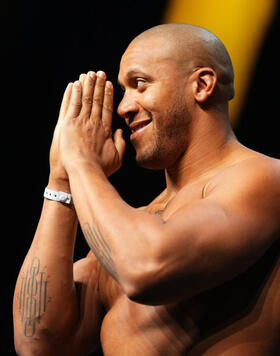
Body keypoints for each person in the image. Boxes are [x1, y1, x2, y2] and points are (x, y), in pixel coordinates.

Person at [13, 23, 280, 356]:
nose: (124, 107)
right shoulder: (130, 228)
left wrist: (82, 164)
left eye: (140, 84)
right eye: (124, 91)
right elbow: (37, 341)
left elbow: (146, 269)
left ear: (202, 84)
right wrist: (62, 180)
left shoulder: (266, 178)